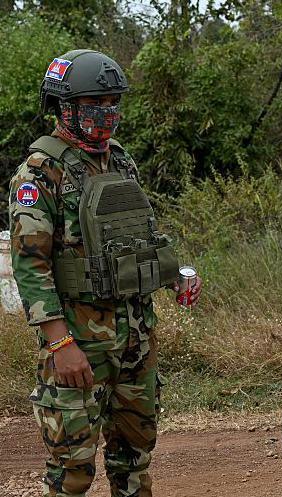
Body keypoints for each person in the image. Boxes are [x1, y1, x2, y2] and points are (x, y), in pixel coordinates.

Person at [9, 49, 203, 497]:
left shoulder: (120, 161)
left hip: (136, 336)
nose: (108, 114)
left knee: (134, 461)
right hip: (78, 342)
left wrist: (176, 274)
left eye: (114, 102)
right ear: (64, 107)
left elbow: (141, 236)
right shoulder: (41, 173)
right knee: (72, 470)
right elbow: (30, 266)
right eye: (97, 104)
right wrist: (60, 343)